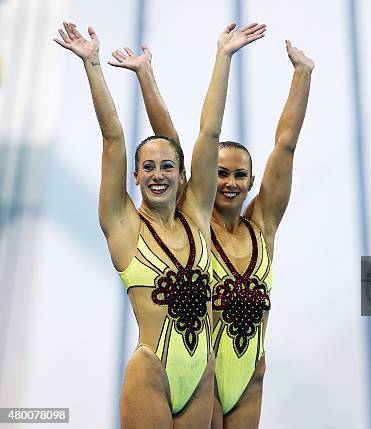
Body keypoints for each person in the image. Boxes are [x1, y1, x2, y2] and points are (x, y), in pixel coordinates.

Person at [54, 21, 265, 428]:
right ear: (134, 175)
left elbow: (209, 132)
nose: (158, 174)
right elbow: (113, 138)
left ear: (182, 175)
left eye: (168, 166)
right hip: (152, 372)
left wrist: (223, 57)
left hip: (201, 375)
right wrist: (92, 64)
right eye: (148, 167)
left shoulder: (197, 217)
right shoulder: (122, 224)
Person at [115, 33, 314, 428]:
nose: (230, 183)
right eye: (220, 173)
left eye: (240, 176)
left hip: (248, 378)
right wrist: (145, 75)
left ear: (252, 180)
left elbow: (285, 147)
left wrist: (303, 75)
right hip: (203, 371)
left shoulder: (263, 227)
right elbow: (170, 138)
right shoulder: (194, 222)